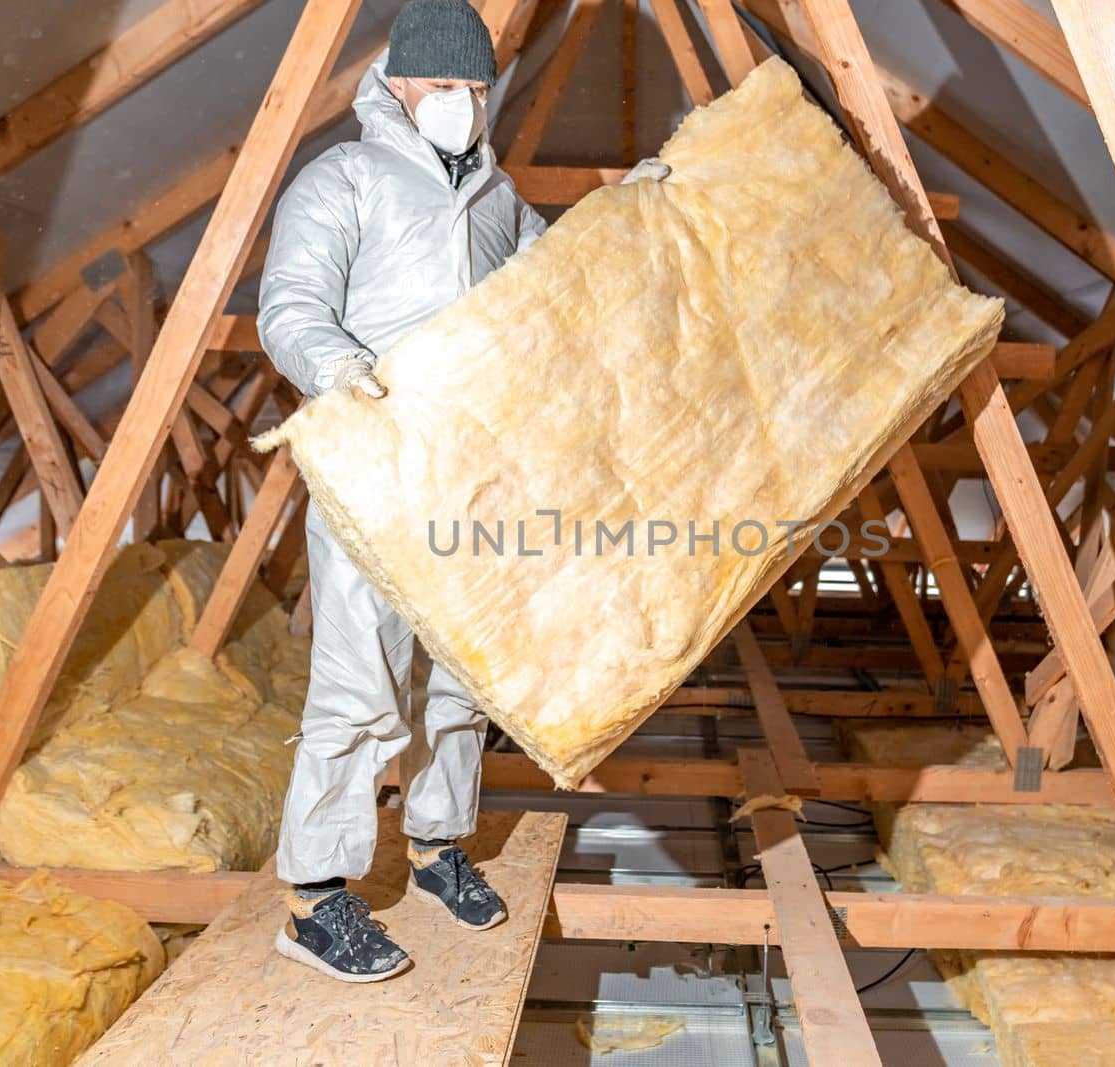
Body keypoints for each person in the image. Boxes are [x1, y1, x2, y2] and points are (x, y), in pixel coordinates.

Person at [257, 0, 667, 982]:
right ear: (400, 84)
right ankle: (316, 897)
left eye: (477, 90)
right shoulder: (344, 180)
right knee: (359, 685)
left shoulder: (497, 201)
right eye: (447, 87)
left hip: (471, 481)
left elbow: (555, 283)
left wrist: (628, 210)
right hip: (375, 468)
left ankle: (439, 847)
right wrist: (341, 367)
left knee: (461, 677)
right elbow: (289, 307)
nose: (463, 105)